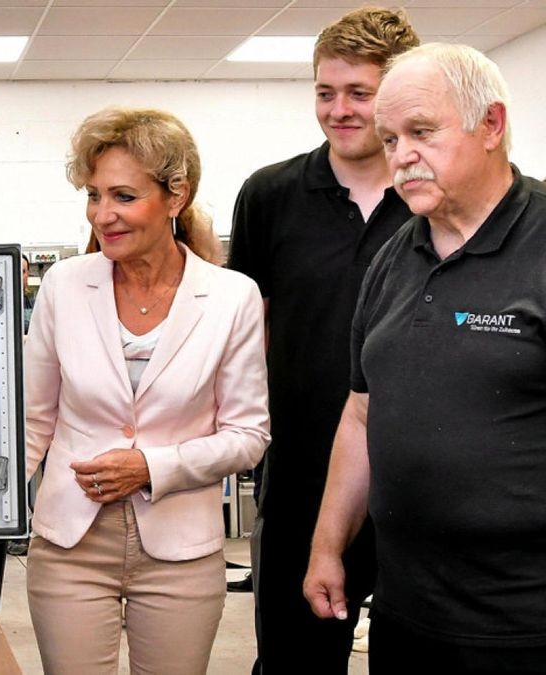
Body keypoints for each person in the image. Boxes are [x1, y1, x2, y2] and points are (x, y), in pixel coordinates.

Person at [305, 43, 546, 673]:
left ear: (490, 125)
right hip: (406, 613)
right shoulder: (393, 259)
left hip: (525, 626)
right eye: (390, 139)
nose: (401, 155)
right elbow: (361, 415)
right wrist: (328, 545)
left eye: (421, 132)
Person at [24, 107, 269, 674]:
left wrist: (151, 466)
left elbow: (248, 435)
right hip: (69, 544)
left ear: (176, 195)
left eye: (124, 197)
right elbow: (33, 421)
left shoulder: (232, 297)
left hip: (181, 551)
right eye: (93, 195)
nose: (103, 215)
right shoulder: (65, 284)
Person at [227, 7, 419, 672]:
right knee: (293, 660)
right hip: (301, 473)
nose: (338, 110)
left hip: (417, 477)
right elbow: (245, 329)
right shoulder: (271, 195)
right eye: (324, 91)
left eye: (359, 93)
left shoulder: (435, 199)